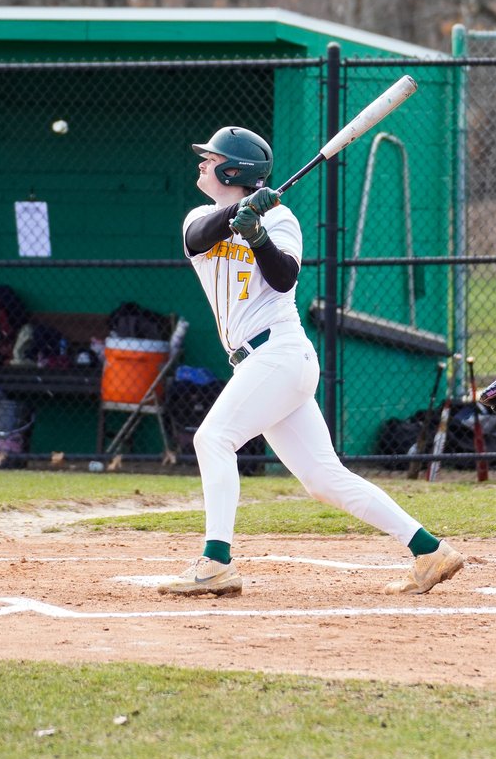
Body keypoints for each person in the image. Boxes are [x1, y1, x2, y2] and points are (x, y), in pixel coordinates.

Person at [157, 126, 464, 598]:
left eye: (212, 157)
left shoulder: (281, 221)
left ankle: (216, 562)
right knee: (323, 478)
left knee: (212, 438)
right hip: (259, 364)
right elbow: (200, 237)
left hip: (279, 353)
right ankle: (429, 550)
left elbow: (283, 279)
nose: (202, 163)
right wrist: (236, 215)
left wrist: (257, 234)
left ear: (234, 169)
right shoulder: (199, 216)